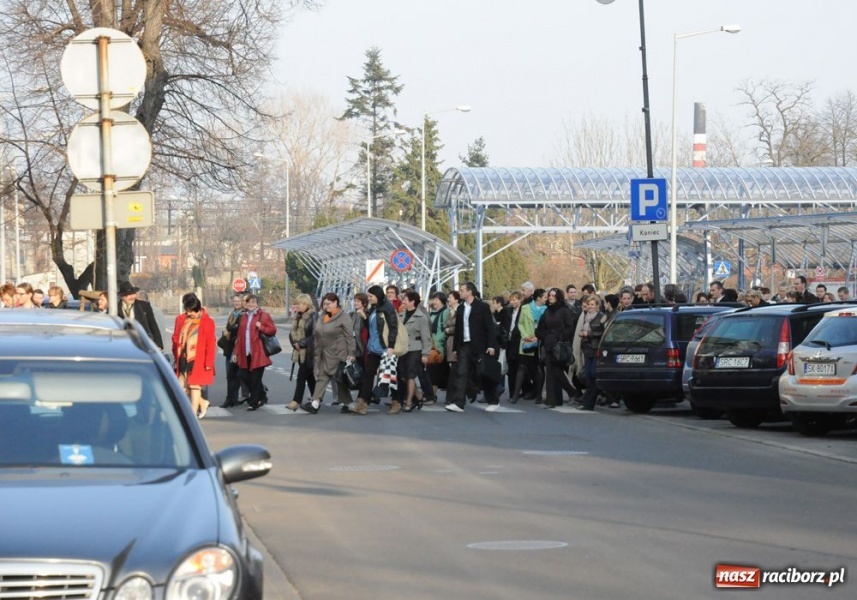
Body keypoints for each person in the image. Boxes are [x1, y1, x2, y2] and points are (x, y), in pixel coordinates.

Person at [446, 282, 500, 413]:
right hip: (464, 345)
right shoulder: (461, 308)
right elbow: (458, 329)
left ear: (470, 292)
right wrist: (455, 348)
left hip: (480, 345)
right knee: (461, 372)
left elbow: (490, 328)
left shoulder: (482, 307)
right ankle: (459, 403)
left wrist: (491, 345)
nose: (460, 292)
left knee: (483, 373)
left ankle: (493, 400)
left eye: (462, 290)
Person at [346, 285, 400, 416]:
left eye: (371, 296)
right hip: (373, 347)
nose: (369, 299)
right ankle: (363, 404)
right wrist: (365, 317)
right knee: (368, 375)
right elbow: (371, 328)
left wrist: (391, 346)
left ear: (378, 295)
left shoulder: (387, 309)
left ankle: (397, 401)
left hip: (385, 348)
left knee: (389, 376)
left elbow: (393, 328)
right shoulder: (374, 309)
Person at [301, 293, 353, 414]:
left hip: (339, 353)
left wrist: (351, 353)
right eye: (324, 304)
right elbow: (317, 334)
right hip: (324, 352)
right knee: (330, 378)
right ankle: (345, 403)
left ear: (336, 303)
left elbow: (350, 337)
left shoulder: (343, 317)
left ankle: (317, 403)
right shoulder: (322, 316)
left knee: (332, 378)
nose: (326, 306)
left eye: (329, 303)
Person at [172, 293, 216, 418]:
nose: (189, 314)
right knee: (181, 387)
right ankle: (203, 402)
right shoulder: (184, 320)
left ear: (197, 309)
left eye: (191, 311)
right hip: (184, 359)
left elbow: (210, 344)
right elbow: (177, 338)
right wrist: (177, 354)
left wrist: (208, 363)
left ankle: (192, 413)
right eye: (187, 311)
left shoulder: (207, 322)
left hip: (198, 360)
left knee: (195, 386)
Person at [233, 294, 277, 411]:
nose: (251, 304)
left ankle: (254, 402)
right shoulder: (243, 317)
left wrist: (261, 327)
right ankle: (261, 394)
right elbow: (240, 336)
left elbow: (272, 330)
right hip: (245, 351)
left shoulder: (264, 315)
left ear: (257, 303)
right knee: (242, 375)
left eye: (253, 302)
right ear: (245, 304)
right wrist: (235, 353)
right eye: (249, 302)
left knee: (255, 378)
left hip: (258, 352)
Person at [535, 288, 577, 408]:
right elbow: (539, 329)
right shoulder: (547, 311)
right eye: (549, 295)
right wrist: (545, 336)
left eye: (553, 295)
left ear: (558, 296)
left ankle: (571, 391)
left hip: (560, 346)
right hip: (548, 345)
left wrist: (559, 337)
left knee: (557, 371)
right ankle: (552, 400)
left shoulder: (564, 310)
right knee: (550, 373)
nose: (551, 297)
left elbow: (569, 327)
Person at [393, 290, 432, 414]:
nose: (403, 301)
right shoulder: (401, 315)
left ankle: (409, 402)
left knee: (411, 375)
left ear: (412, 301)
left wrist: (425, 353)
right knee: (403, 376)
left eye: (405, 299)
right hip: (402, 349)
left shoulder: (421, 317)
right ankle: (418, 396)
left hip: (415, 349)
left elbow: (426, 337)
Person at [509, 288, 546, 403]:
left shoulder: (546, 310)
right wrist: (525, 336)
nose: (546, 299)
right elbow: (519, 324)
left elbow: (547, 326)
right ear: (538, 297)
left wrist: (538, 336)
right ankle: (515, 395)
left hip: (539, 341)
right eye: (544, 297)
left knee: (538, 368)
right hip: (526, 341)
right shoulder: (525, 308)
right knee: (522, 366)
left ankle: (538, 394)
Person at [577, 293, 608, 411]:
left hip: (596, 349)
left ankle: (590, 402)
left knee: (593, 375)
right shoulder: (586, 316)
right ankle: (587, 403)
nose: (590, 307)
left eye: (592, 305)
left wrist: (588, 334)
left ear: (597, 306)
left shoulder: (601, 317)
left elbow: (602, 333)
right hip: (587, 348)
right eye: (588, 305)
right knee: (588, 377)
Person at [287, 294, 318, 411]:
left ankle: (296, 401)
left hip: (310, 351)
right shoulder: (297, 317)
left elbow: (315, 335)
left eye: (300, 303)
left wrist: (301, 343)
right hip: (299, 351)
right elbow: (292, 333)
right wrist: (294, 343)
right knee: (309, 377)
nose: (297, 306)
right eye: (297, 303)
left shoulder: (313, 316)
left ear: (306, 304)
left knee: (301, 376)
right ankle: (317, 399)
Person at [117, 281, 164, 350]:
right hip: (121, 345)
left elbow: (153, 325)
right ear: (121, 296)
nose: (132, 297)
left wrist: (158, 344)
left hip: (142, 345)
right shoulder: (114, 309)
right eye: (128, 295)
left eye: (133, 294)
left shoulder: (144, 306)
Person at [219, 294, 246, 408]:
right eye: (234, 301)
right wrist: (226, 331)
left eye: (238, 301)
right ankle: (231, 398)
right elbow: (230, 327)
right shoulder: (232, 314)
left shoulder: (244, 314)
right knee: (230, 375)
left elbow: (239, 330)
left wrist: (229, 331)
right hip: (229, 348)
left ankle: (260, 392)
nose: (236, 303)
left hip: (238, 348)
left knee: (238, 375)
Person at [426, 291, 449, 403]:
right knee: (431, 371)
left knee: (434, 372)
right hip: (430, 345)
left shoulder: (445, 312)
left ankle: (432, 395)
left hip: (438, 346)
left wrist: (437, 340)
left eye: (436, 299)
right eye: (433, 299)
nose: (434, 301)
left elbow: (445, 329)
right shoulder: (432, 312)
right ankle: (431, 394)